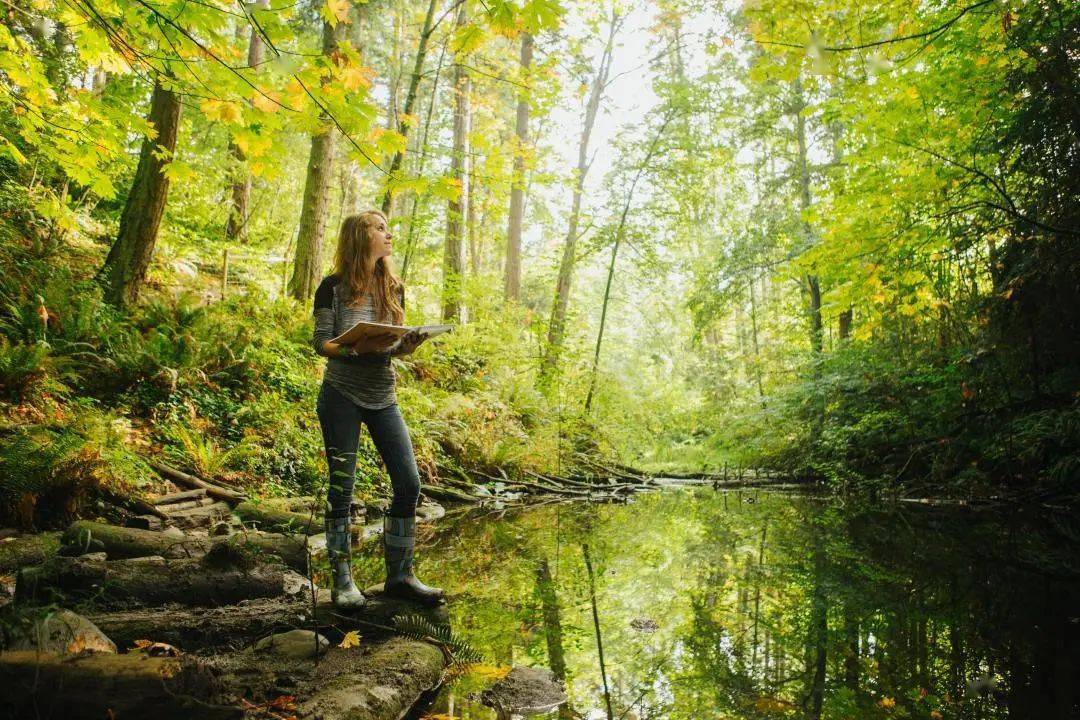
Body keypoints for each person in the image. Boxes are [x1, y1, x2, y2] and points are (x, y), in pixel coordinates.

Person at [312, 209, 445, 609]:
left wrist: (405, 346)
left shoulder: (393, 287)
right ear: (359, 236)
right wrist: (354, 345)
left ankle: (400, 576)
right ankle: (342, 582)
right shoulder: (331, 287)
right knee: (342, 490)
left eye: (388, 227)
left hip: (383, 394)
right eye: (380, 228)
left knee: (409, 485)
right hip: (340, 394)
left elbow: (392, 345)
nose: (389, 234)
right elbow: (321, 343)